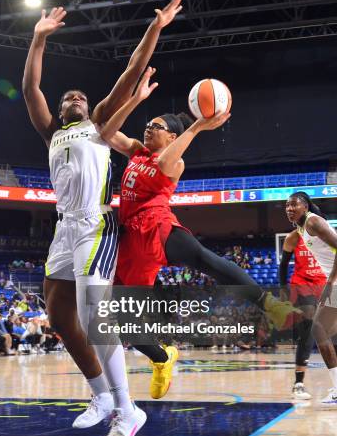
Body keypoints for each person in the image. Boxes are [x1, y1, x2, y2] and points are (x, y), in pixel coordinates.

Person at [22, 0, 183, 436]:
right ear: (60, 108)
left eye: (81, 95)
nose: (76, 97)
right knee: (58, 314)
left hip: (96, 224)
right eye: (68, 96)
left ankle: (127, 410)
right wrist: (38, 40)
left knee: (95, 317)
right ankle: (100, 396)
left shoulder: (98, 123)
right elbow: (32, 88)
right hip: (63, 227)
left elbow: (131, 70)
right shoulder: (51, 130)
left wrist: (156, 28)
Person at [100, 74, 303, 398]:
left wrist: (196, 126)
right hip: (129, 244)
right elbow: (105, 131)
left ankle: (269, 304)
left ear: (172, 136)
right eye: (148, 125)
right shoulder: (136, 152)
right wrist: (135, 99)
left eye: (156, 126)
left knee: (204, 259)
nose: (148, 129)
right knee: (124, 320)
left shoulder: (174, 162)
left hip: (157, 225)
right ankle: (162, 359)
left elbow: (166, 160)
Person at [285, 191, 337, 405]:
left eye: (294, 205)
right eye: (287, 206)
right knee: (326, 331)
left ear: (305, 207)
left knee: (318, 328)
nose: (289, 209)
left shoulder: (313, 222)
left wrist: (331, 281)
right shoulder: (300, 227)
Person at [279, 228, 327, 400]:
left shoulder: (326, 234)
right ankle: (298, 384)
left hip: (324, 283)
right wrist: (283, 288)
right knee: (308, 328)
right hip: (302, 283)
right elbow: (284, 265)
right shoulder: (293, 237)